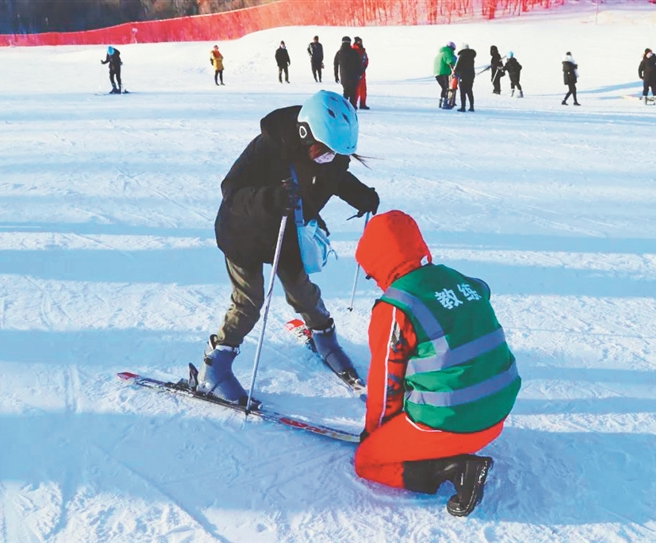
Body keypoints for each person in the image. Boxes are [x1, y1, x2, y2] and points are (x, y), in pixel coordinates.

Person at [195, 90, 380, 404]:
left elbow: (335, 177)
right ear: (307, 134)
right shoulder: (269, 146)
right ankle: (214, 368)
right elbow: (232, 190)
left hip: (288, 233)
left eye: (334, 153)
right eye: (323, 151)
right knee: (249, 302)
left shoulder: (331, 152)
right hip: (245, 233)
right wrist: (273, 198)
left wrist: (360, 194)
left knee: (303, 293)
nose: (329, 158)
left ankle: (324, 338)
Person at [353, 210, 521, 517]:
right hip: (497, 416)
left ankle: (455, 470)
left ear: (377, 261)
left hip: (451, 424)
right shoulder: (460, 280)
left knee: (367, 462)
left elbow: (386, 383)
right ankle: (448, 451)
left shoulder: (396, 306)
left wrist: (373, 434)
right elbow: (481, 290)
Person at [333, 36, 363, 108]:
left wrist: (336, 76)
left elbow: (335, 64)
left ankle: (344, 107)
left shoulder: (339, 53)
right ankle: (352, 108)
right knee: (353, 94)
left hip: (344, 77)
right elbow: (359, 64)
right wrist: (360, 74)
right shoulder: (354, 52)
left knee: (346, 92)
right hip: (354, 77)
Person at [433, 41, 457, 108]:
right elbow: (450, 62)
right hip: (443, 72)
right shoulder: (447, 53)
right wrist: (454, 60)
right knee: (446, 87)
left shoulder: (441, 53)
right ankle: (444, 103)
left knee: (444, 87)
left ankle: (442, 102)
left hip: (437, 73)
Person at [453, 43, 476, 112]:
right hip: (471, 75)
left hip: (463, 75)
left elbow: (458, 65)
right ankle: (471, 107)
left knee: (462, 91)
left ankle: (463, 107)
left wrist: (455, 72)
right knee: (469, 90)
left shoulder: (462, 55)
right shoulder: (471, 56)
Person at [353, 37, 370, 110]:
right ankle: (354, 104)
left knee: (363, 90)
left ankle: (363, 103)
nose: (359, 43)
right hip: (355, 73)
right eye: (358, 41)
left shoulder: (363, 51)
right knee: (356, 90)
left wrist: (364, 67)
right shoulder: (353, 50)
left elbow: (366, 60)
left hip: (362, 73)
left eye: (360, 41)